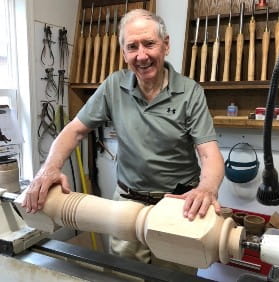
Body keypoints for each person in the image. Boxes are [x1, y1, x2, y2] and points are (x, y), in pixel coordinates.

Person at [22, 9, 224, 274]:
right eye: (132, 47)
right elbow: (74, 131)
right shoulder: (113, 86)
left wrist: (207, 188)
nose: (141, 55)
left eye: (149, 44)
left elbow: (209, 154)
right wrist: (50, 167)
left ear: (166, 45)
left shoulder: (190, 92)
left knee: (174, 277)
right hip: (127, 203)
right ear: (123, 53)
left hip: (177, 207)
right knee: (123, 275)